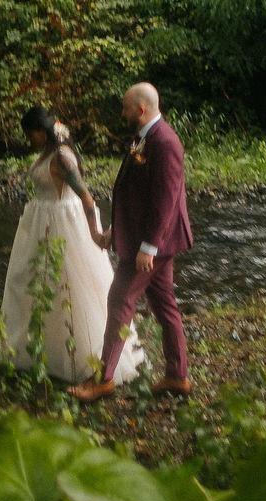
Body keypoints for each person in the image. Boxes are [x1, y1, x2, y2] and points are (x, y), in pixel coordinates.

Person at [0, 105, 144, 385]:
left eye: (31, 134)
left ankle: (77, 355)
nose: (29, 140)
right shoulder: (48, 152)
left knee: (66, 284)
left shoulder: (63, 157)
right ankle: (37, 348)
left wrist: (95, 234)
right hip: (40, 220)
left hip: (61, 222)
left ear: (41, 131)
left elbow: (86, 197)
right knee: (31, 281)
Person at [72, 82, 193, 401]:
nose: (122, 113)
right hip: (149, 239)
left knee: (119, 301)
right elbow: (135, 193)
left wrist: (148, 248)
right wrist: (117, 229)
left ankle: (103, 379)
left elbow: (165, 201)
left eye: (126, 107)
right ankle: (177, 376)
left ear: (141, 109)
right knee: (164, 305)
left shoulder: (165, 142)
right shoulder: (144, 138)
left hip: (152, 244)